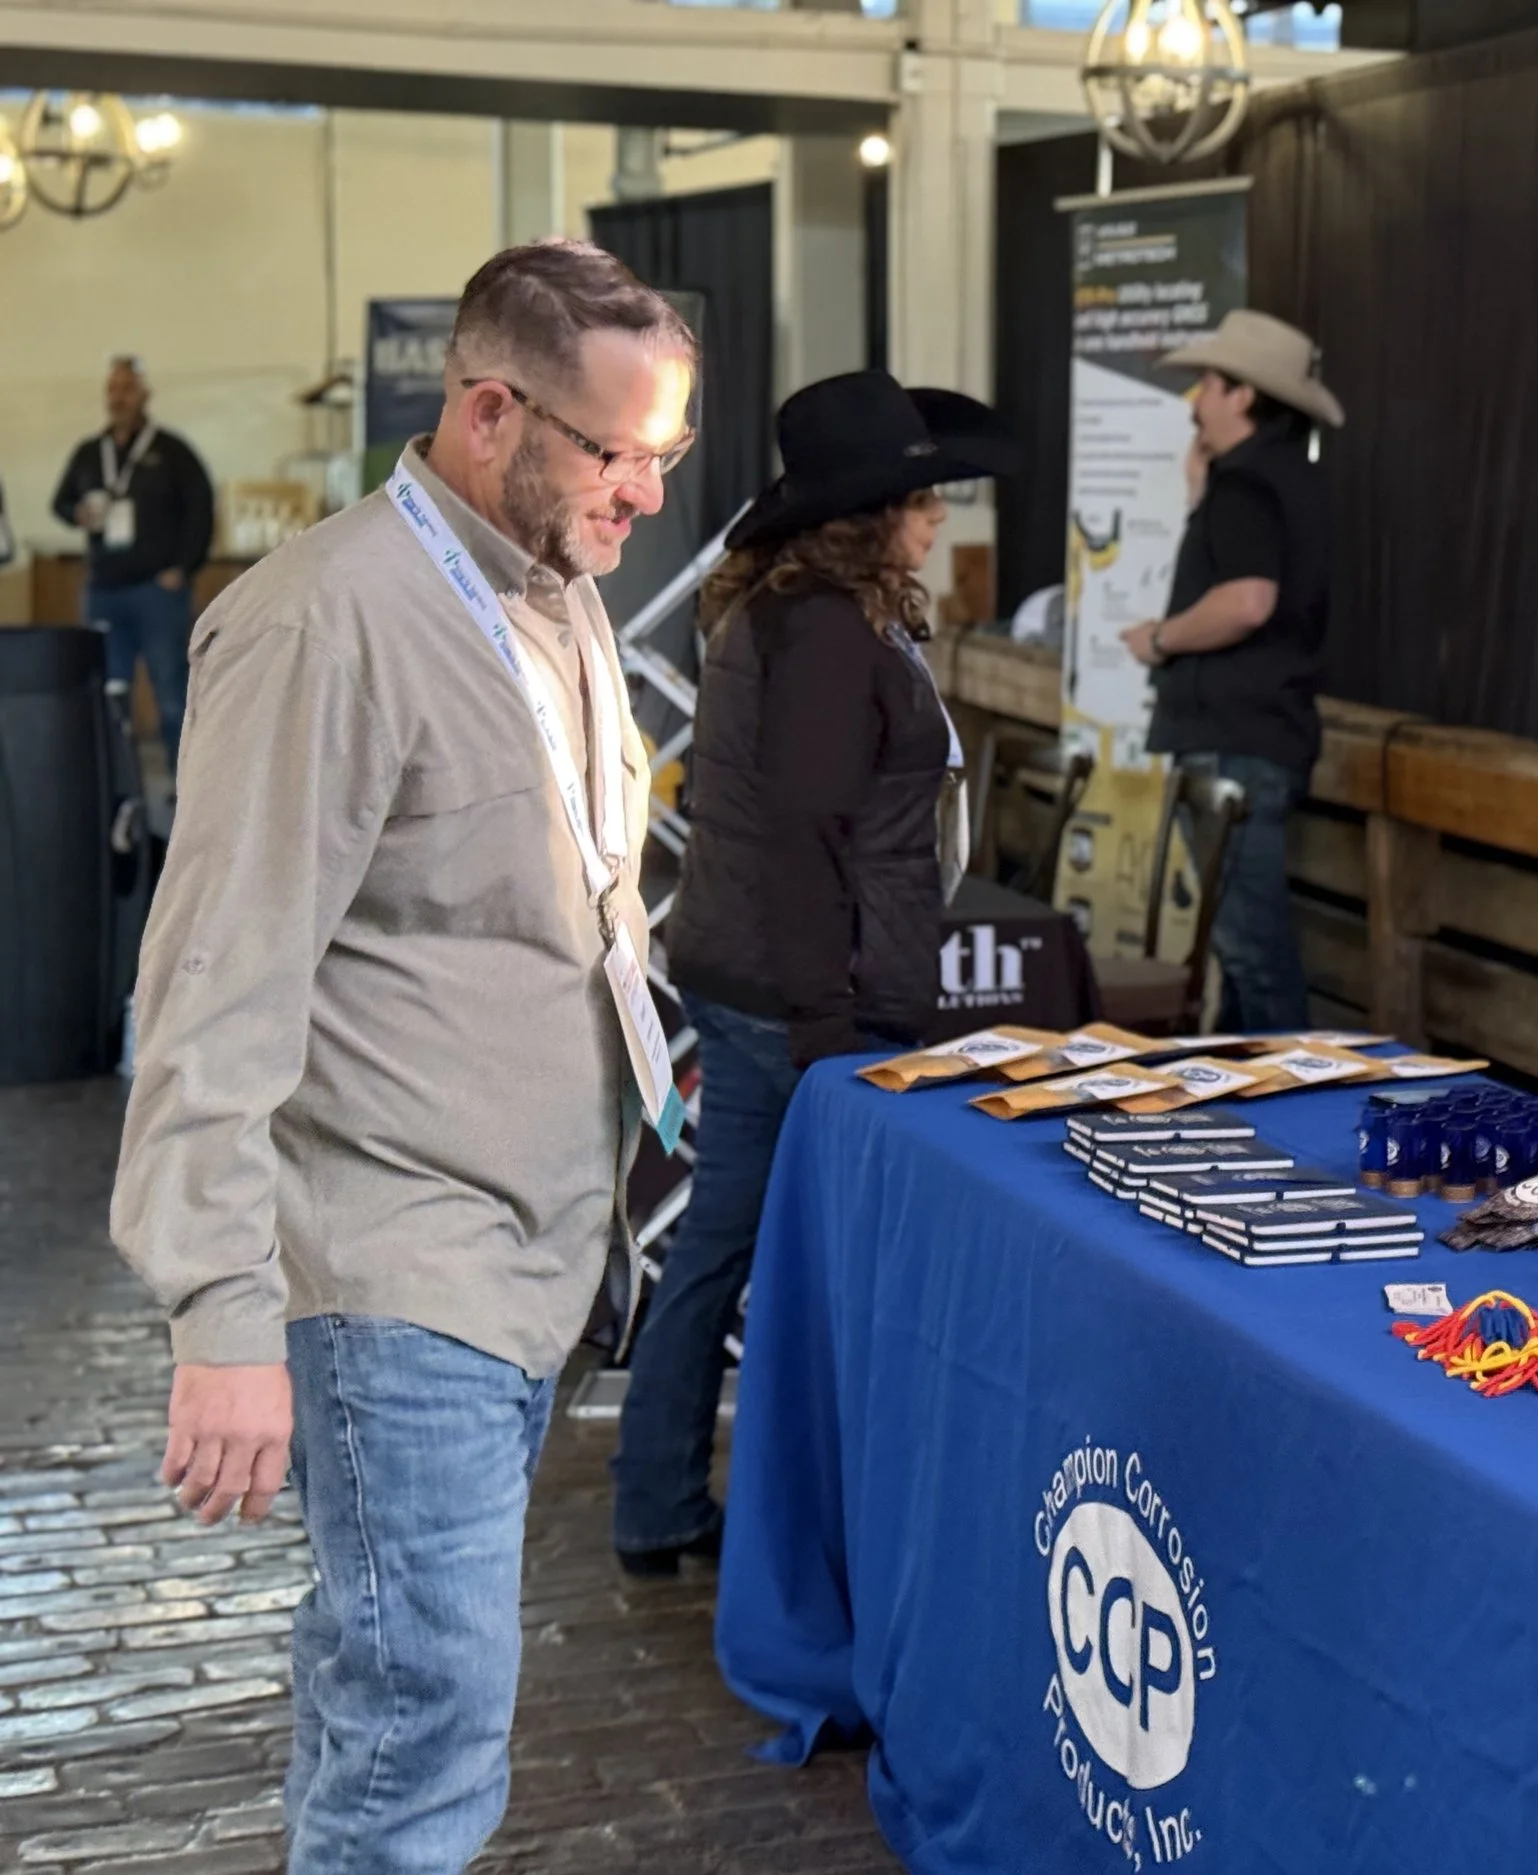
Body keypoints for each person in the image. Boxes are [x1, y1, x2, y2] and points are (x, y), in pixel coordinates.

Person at [111, 238, 697, 1871]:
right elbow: (216, 996)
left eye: (668, 457)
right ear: (491, 410)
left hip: (534, 1265)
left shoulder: (560, 599)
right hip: (396, 1275)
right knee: (420, 1751)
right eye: (617, 453)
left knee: (411, 1719)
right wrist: (222, 1315)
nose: (646, 494)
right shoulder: (324, 626)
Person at [617, 370, 1015, 1576]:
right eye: (919, 495)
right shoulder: (829, 632)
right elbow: (806, 839)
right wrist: (832, 1026)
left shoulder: (798, 616)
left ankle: (663, 1498)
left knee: (725, 1242)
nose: (937, 515)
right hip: (805, 995)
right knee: (808, 1257)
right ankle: (813, 1523)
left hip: (760, 980)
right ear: (869, 515)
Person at [1120, 309, 1343, 1033]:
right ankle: (1250, 1097)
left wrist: (1161, 638)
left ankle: (1295, 1096)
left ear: (1244, 394)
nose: (1197, 403)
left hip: (1231, 742)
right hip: (1263, 735)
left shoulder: (1246, 484)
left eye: (1210, 385)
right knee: (1240, 952)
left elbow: (1248, 600)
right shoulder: (1289, 481)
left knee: (1251, 953)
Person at [51, 355, 214, 768]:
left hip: (157, 594)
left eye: (126, 389)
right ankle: (116, 788)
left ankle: (185, 794)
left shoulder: (172, 451)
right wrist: (78, 515)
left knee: (172, 695)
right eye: (112, 389)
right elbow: (60, 502)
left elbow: (201, 510)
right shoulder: (91, 452)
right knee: (108, 694)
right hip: (104, 590)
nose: (117, 397)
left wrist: (183, 567)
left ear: (144, 395)